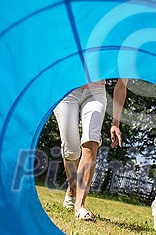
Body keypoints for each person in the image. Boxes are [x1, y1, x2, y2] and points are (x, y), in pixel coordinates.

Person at [53, 78, 128, 220]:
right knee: (71, 149)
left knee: (91, 142)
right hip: (67, 90)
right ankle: (72, 189)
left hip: (95, 93)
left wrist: (115, 123)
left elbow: (121, 86)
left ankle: (79, 206)